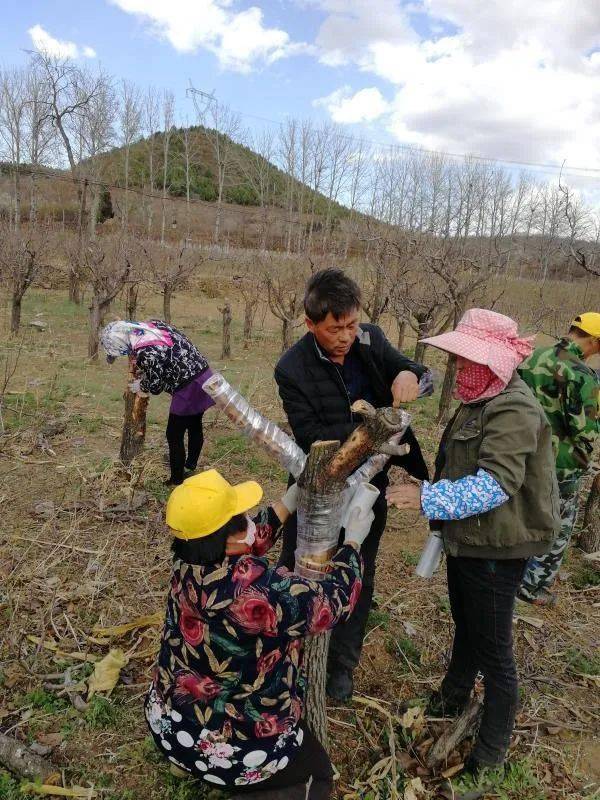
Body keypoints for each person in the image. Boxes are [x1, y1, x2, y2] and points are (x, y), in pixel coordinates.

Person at [386, 309, 560, 777]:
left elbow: (494, 486)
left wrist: (427, 497)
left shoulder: (514, 408)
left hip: (497, 549)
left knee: (495, 650)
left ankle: (491, 752)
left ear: (495, 364)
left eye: (467, 363)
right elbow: (458, 463)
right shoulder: (480, 398)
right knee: (467, 622)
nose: (459, 371)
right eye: (459, 362)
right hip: (469, 539)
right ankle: (452, 695)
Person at [144, 469, 372, 799]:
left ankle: (194, 765)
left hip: (169, 723)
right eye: (241, 517)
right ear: (229, 534)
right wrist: (352, 543)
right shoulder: (257, 590)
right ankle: (241, 783)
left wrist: (288, 503)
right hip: (232, 745)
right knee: (317, 778)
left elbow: (243, 543)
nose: (249, 521)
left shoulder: (187, 561)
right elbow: (332, 604)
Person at [274, 268, 431, 701]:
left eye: (351, 325)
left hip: (368, 490)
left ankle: (341, 665)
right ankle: (291, 653)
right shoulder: (291, 368)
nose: (345, 336)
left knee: (358, 568)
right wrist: (374, 425)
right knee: (300, 567)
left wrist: (409, 374)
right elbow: (309, 435)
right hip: (318, 487)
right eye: (333, 329)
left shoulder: (370, 338)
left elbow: (412, 370)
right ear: (310, 325)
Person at [517, 312, 600, 606]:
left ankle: (508, 570)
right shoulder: (582, 374)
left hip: (521, 452)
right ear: (592, 340)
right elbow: (585, 431)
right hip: (559, 465)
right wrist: (585, 460)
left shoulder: (532, 357)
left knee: (521, 513)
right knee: (558, 526)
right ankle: (532, 586)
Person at [101, 319, 213, 485]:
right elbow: (165, 358)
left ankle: (176, 480)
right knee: (195, 423)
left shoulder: (146, 353)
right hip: (204, 375)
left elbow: (155, 386)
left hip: (188, 387)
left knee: (174, 434)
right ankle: (190, 464)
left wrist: (142, 384)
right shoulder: (152, 326)